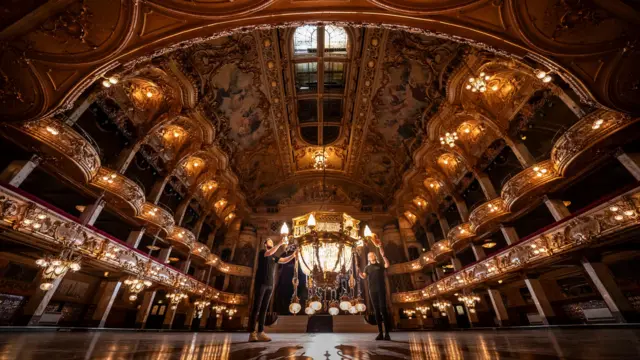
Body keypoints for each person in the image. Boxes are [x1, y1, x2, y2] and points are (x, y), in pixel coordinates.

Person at [248, 237, 297, 342]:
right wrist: (280, 243)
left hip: (270, 284)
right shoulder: (263, 252)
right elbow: (269, 253)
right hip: (261, 283)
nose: (271, 242)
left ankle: (261, 332)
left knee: (264, 309)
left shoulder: (274, 256)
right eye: (269, 241)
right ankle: (252, 333)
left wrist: (293, 255)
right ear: (265, 244)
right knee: (256, 307)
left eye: (272, 241)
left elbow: (283, 260)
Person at [359, 247, 392, 341]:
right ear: (368, 258)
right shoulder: (367, 268)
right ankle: (380, 333)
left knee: (383, 310)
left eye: (372, 254)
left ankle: (387, 334)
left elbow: (387, 264)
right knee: (376, 311)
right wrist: (359, 273)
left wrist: (383, 255)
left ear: (375, 256)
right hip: (372, 290)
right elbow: (363, 277)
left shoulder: (380, 265)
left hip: (381, 289)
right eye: (369, 256)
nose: (371, 256)